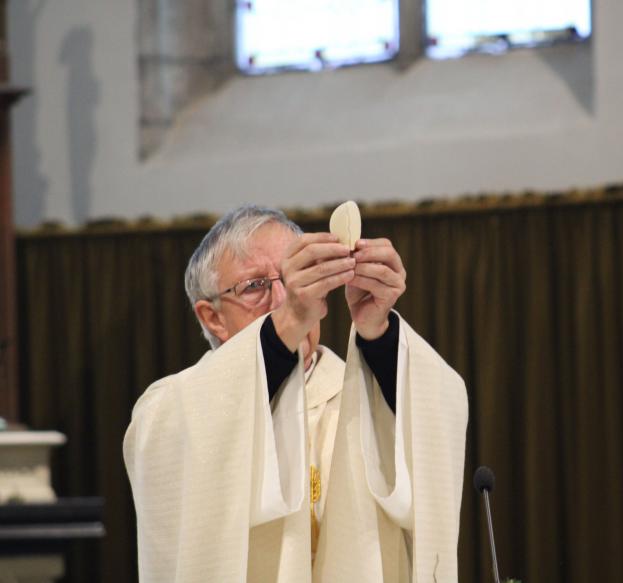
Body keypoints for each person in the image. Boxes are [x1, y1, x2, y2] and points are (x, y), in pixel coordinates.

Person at [123, 205, 468, 582]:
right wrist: (283, 326)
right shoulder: (175, 408)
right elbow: (164, 464)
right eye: (255, 286)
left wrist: (379, 334)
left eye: (295, 278)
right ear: (212, 317)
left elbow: (441, 414)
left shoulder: (358, 389)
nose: (284, 298)